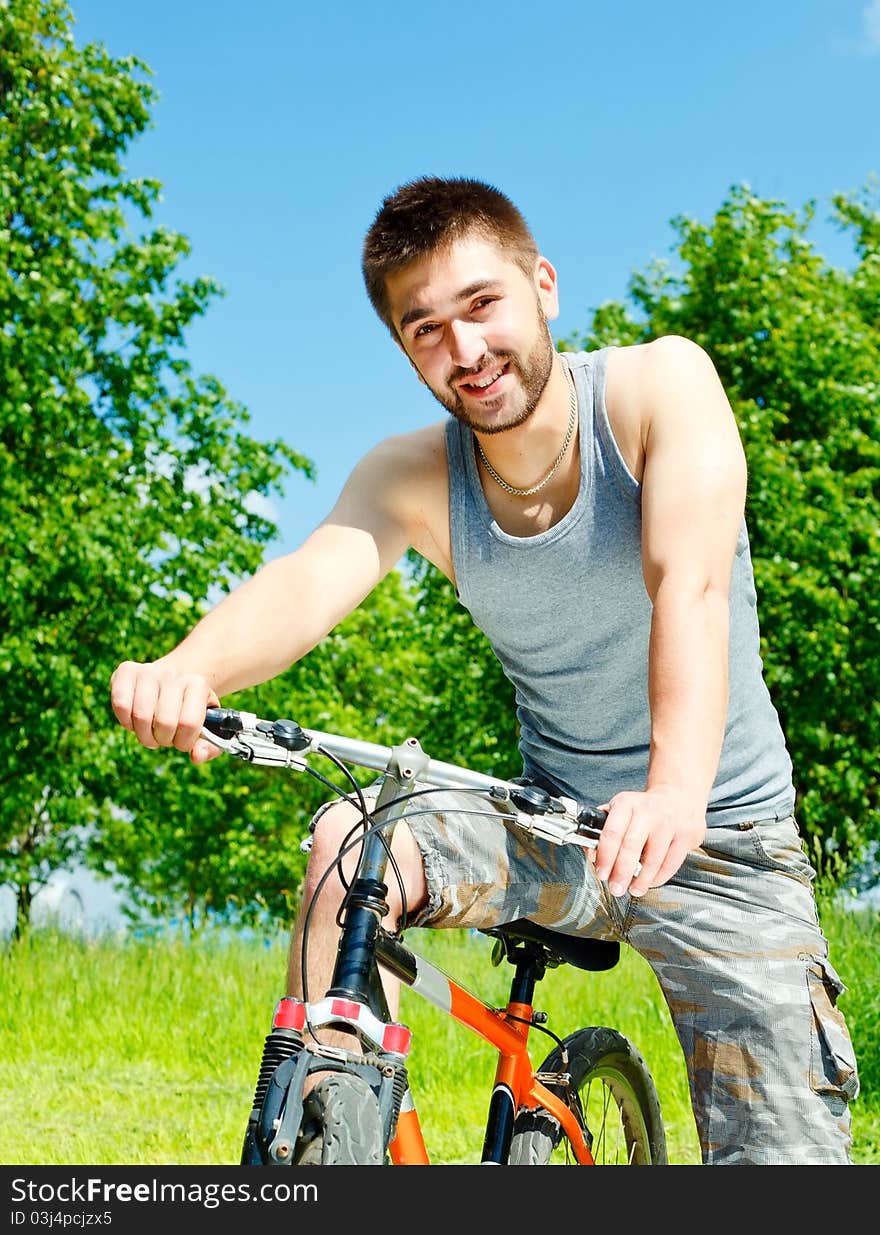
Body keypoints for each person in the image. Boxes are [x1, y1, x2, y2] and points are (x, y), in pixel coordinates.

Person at [110, 175, 859, 1165]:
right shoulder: (411, 474)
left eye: (481, 304)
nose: (463, 349)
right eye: (425, 329)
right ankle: (327, 1145)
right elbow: (307, 580)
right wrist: (188, 666)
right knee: (351, 834)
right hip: (548, 824)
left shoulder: (656, 388)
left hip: (719, 840)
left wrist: (673, 788)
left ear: (541, 284)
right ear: (403, 348)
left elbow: (692, 586)